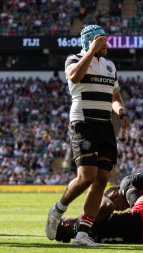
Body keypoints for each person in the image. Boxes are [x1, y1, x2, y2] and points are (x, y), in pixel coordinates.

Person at [45, 24, 129, 246]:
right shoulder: (74, 59)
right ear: (90, 41)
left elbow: (115, 95)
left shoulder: (110, 66)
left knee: (102, 179)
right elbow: (74, 77)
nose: (106, 45)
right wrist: (91, 51)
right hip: (83, 123)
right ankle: (56, 211)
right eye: (102, 41)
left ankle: (83, 233)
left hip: (105, 126)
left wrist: (121, 111)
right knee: (87, 176)